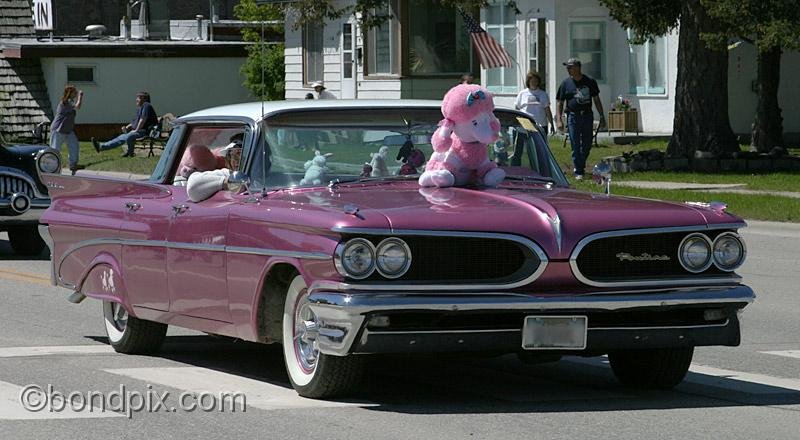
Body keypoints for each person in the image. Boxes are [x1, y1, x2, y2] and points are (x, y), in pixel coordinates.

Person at [555, 58, 605, 180]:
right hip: (573, 116)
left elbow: (596, 100)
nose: (568, 69)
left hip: (587, 116)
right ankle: (579, 171)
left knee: (587, 144)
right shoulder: (565, 83)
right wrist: (559, 119)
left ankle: (580, 164)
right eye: (567, 67)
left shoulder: (590, 81)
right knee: (575, 144)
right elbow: (559, 102)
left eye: (570, 67)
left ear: (578, 67)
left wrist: (602, 116)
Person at [91, 91, 158, 157]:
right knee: (122, 137)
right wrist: (127, 127)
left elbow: (142, 120)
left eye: (138, 97)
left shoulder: (146, 105)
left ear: (144, 99)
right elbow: (134, 122)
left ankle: (129, 153)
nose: (136, 99)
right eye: (137, 97)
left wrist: (136, 130)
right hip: (140, 131)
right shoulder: (140, 108)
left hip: (146, 132)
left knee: (129, 136)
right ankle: (101, 146)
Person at [50, 85, 85, 175]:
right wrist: (80, 96)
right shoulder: (65, 102)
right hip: (58, 129)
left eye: (76, 92)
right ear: (70, 93)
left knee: (74, 145)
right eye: (74, 92)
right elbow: (77, 107)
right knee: (55, 149)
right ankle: (52, 168)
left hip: (68, 130)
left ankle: (73, 165)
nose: (76, 93)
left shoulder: (69, 102)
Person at [515, 71, 554, 135]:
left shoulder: (543, 94)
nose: (534, 83)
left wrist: (552, 124)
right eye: (532, 81)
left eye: (535, 81)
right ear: (528, 82)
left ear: (538, 82)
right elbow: (517, 109)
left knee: (540, 144)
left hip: (540, 124)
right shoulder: (522, 93)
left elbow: (547, 110)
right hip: (525, 124)